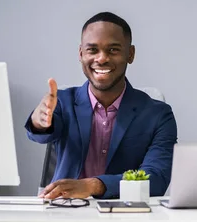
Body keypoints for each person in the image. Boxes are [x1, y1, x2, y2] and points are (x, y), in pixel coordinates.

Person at [25, 12, 177, 199]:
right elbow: (40, 133)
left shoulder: (158, 115)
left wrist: (94, 185)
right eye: (92, 50)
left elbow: (156, 179)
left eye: (113, 50)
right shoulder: (62, 102)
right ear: (81, 54)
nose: (102, 58)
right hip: (63, 211)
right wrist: (38, 121)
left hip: (126, 213)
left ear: (130, 54)